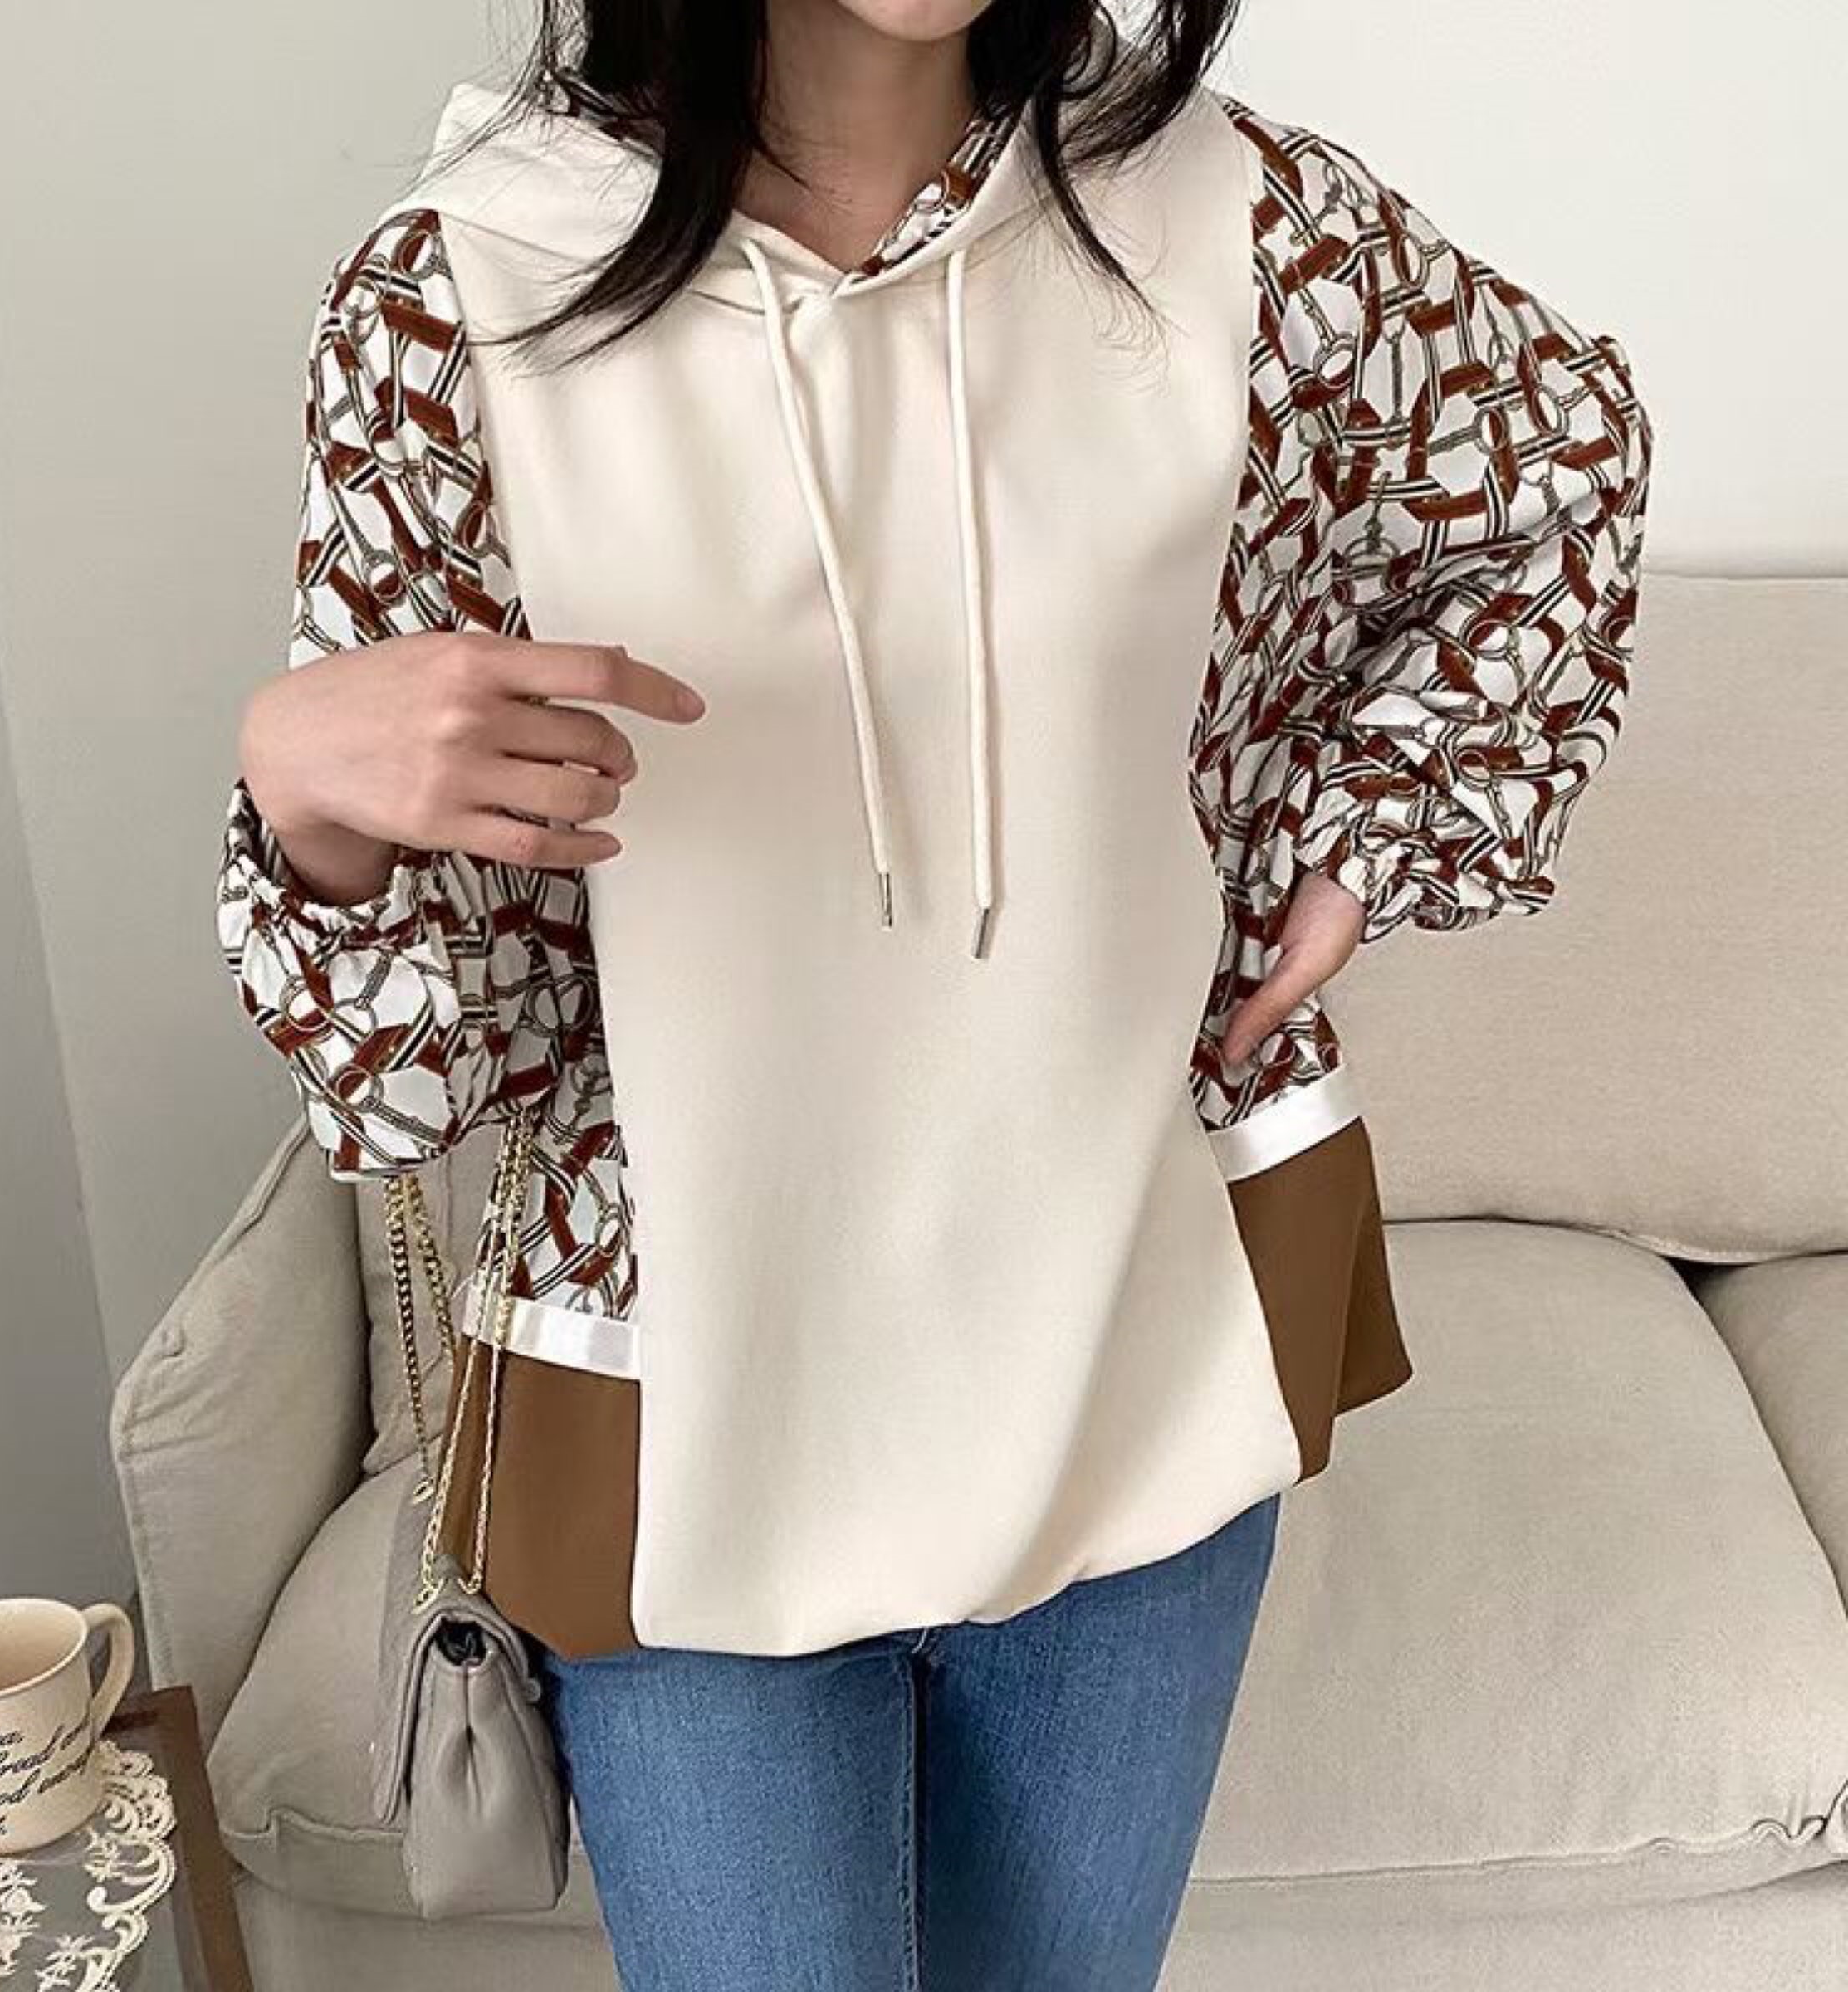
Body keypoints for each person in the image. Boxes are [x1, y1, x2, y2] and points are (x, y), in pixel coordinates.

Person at [215, 2, 1655, 1985]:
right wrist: (308, 803)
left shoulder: (1239, 221)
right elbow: (415, 1083)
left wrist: (1373, 831)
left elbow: (1558, 463)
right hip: (692, 1412)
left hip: (1134, 1353)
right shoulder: (459, 297)